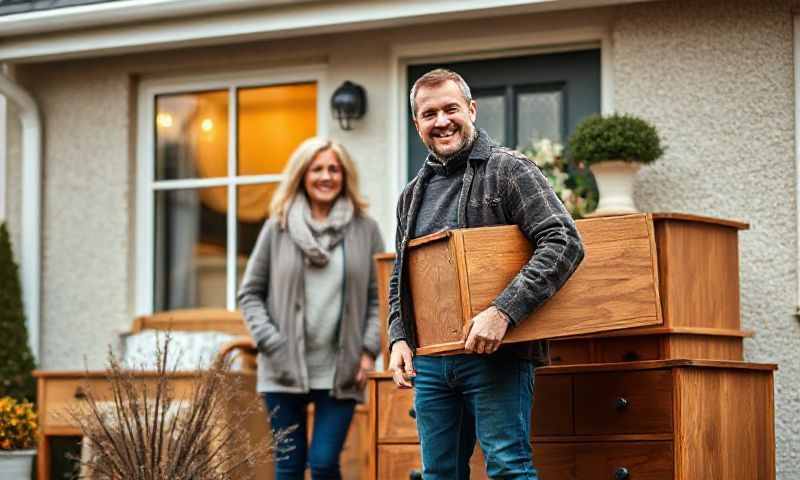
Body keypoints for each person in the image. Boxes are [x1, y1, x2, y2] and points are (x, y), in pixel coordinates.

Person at [387, 69, 585, 479]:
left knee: (508, 468)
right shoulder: (410, 195)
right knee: (439, 473)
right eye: (429, 114)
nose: (441, 121)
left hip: (498, 355)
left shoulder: (510, 170)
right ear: (417, 124)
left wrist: (503, 312)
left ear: (471, 110)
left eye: (450, 109)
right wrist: (399, 336)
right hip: (432, 362)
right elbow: (401, 275)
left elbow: (564, 241)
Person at [238, 138, 384, 480]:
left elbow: (380, 298)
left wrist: (367, 350)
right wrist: (272, 344)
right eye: (317, 168)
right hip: (283, 369)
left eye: (334, 169)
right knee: (288, 466)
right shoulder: (278, 227)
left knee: (322, 463)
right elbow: (250, 294)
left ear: (344, 176)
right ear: (302, 175)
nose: (326, 176)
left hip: (342, 369)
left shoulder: (366, 229)